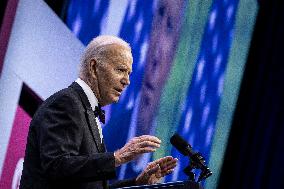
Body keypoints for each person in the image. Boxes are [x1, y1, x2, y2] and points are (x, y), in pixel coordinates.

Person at [19, 35, 178, 189]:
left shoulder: (88, 110)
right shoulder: (67, 103)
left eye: (128, 73)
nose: (127, 81)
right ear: (94, 67)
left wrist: (137, 183)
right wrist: (118, 157)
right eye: (121, 70)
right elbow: (57, 167)